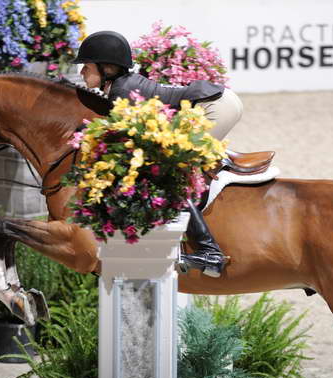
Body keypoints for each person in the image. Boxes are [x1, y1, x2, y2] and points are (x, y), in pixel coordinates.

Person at [72, 30, 244, 278]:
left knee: (169, 173)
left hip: (215, 106)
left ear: (107, 68)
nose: (81, 73)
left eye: (86, 67)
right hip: (218, 101)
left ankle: (210, 252)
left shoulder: (122, 92)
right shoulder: (121, 86)